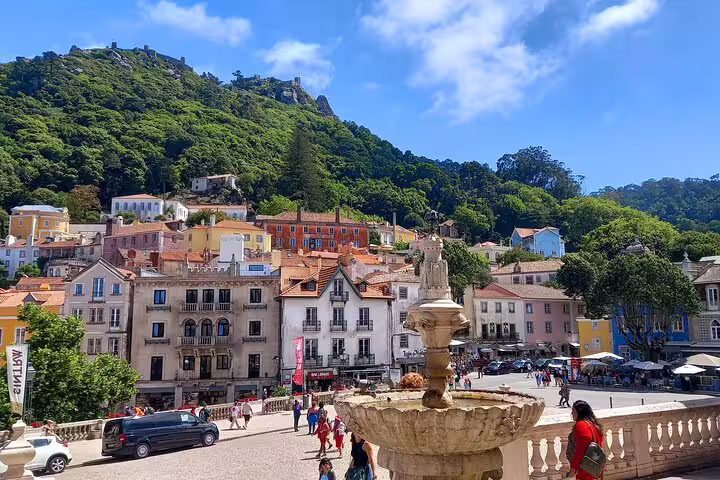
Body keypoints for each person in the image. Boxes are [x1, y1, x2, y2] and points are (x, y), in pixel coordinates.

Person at [567, 400, 604, 480]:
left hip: (586, 468)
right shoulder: (594, 424)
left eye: (573, 411)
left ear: (579, 412)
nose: (572, 414)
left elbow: (581, 449)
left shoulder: (581, 425)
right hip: (596, 466)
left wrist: (573, 468)